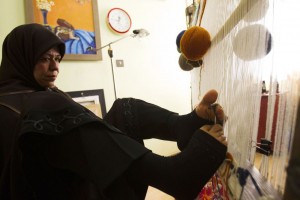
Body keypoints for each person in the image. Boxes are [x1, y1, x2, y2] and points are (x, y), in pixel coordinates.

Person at [0, 23, 227, 200]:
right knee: (46, 105)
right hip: (73, 193)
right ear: (21, 58)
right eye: (44, 59)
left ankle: (182, 126)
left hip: (81, 180)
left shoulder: (36, 96)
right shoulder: (15, 106)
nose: (55, 67)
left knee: (123, 109)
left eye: (57, 58)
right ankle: (173, 175)